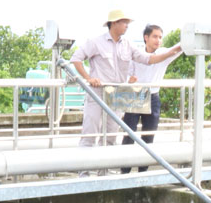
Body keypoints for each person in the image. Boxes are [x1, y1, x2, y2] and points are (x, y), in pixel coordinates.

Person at [70, 10, 182, 157]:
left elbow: (148, 59)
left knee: (111, 136)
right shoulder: (96, 42)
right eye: (124, 22)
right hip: (97, 92)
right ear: (114, 23)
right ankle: (84, 168)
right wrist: (88, 78)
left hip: (118, 93)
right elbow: (76, 58)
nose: (127, 26)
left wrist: (175, 49)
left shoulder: (128, 45)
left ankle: (104, 169)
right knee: (90, 134)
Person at [121, 24, 179, 173]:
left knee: (149, 135)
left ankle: (143, 172)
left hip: (153, 96)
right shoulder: (137, 53)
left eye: (160, 37)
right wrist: (130, 80)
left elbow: (178, 49)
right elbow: (127, 74)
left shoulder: (163, 53)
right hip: (136, 94)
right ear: (146, 37)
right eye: (155, 36)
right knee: (129, 134)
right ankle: (125, 171)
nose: (158, 40)